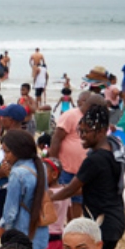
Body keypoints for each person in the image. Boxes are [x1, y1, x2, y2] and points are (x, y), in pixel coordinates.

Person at [50, 104, 125, 249]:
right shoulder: (114, 151)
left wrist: (49, 198)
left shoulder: (94, 160)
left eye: (85, 132)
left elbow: (72, 189)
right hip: (116, 217)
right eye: (80, 131)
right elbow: (92, 188)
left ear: (100, 132)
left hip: (104, 220)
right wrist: (59, 190)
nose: (81, 136)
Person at [0, 130, 50, 249]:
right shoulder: (40, 166)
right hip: (38, 231)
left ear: (18, 151)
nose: (5, 156)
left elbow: (10, 214)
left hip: (20, 232)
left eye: (7, 151)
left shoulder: (18, 174)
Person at [48, 90, 92, 220]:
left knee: (78, 200)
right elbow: (57, 138)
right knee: (63, 199)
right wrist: (53, 163)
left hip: (82, 169)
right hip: (65, 167)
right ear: (79, 102)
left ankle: (73, 224)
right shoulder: (70, 115)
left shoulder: (92, 118)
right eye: (86, 102)